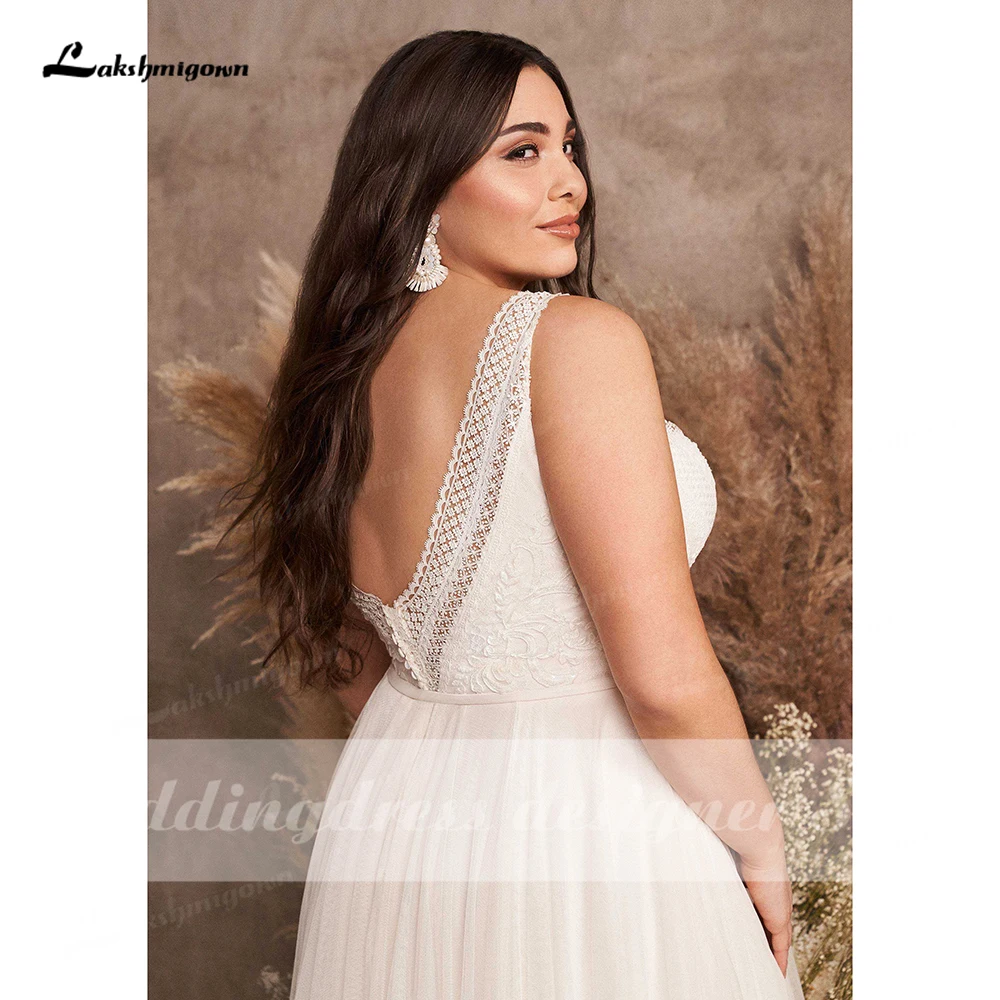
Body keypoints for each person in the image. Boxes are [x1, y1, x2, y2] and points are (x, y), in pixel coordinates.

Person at [229, 28, 805, 1000]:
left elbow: (358, 664)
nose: (568, 180)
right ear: (420, 186)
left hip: (400, 811)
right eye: (522, 152)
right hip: (587, 813)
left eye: (568, 145)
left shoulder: (336, 379)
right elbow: (662, 675)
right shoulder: (576, 342)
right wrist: (760, 841)